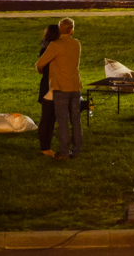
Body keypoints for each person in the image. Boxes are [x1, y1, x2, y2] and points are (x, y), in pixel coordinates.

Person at [35, 17, 82, 160]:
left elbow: (40, 64)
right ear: (72, 30)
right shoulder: (77, 44)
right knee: (76, 120)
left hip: (61, 87)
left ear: (60, 29)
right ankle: (77, 150)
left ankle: (64, 152)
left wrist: (41, 71)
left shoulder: (55, 45)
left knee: (62, 121)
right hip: (75, 86)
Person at [36, 24, 61, 157]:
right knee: (48, 118)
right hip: (50, 86)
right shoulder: (51, 49)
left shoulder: (46, 48)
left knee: (50, 118)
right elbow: (41, 66)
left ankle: (46, 146)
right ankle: (44, 147)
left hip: (48, 84)